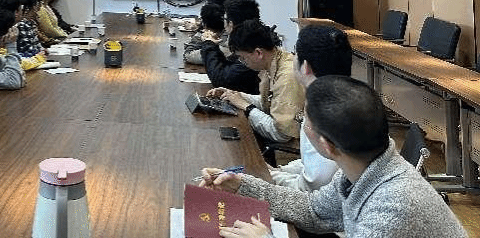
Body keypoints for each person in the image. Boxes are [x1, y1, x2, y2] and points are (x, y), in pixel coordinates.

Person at [199, 76, 468, 238]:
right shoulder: (364, 167)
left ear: (326, 146)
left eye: (304, 119)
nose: (301, 122)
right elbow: (314, 211)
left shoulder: (391, 212)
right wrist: (242, 185)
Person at [271, 24, 352, 192]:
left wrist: (272, 177)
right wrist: (280, 171)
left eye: (295, 55)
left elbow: (314, 183)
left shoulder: (323, 113)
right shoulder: (344, 96)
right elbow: (309, 162)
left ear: (305, 66)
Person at [207, 20, 304, 143]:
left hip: (287, 148)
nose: (243, 62)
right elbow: (270, 101)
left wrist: (247, 107)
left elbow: (281, 134)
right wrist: (235, 96)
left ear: (258, 53)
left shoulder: (287, 77)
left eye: (242, 58)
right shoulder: (275, 61)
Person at [199, 0, 261, 94]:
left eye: (224, 19)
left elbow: (221, 79)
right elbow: (228, 68)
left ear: (230, 24)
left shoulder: (250, 47)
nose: (223, 24)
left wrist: (209, 44)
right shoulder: (252, 38)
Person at [0, 0, 46, 70]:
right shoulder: (2, 31)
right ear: (16, 12)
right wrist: (39, 58)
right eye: (22, 9)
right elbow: (13, 63)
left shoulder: (4, 27)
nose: (24, 11)